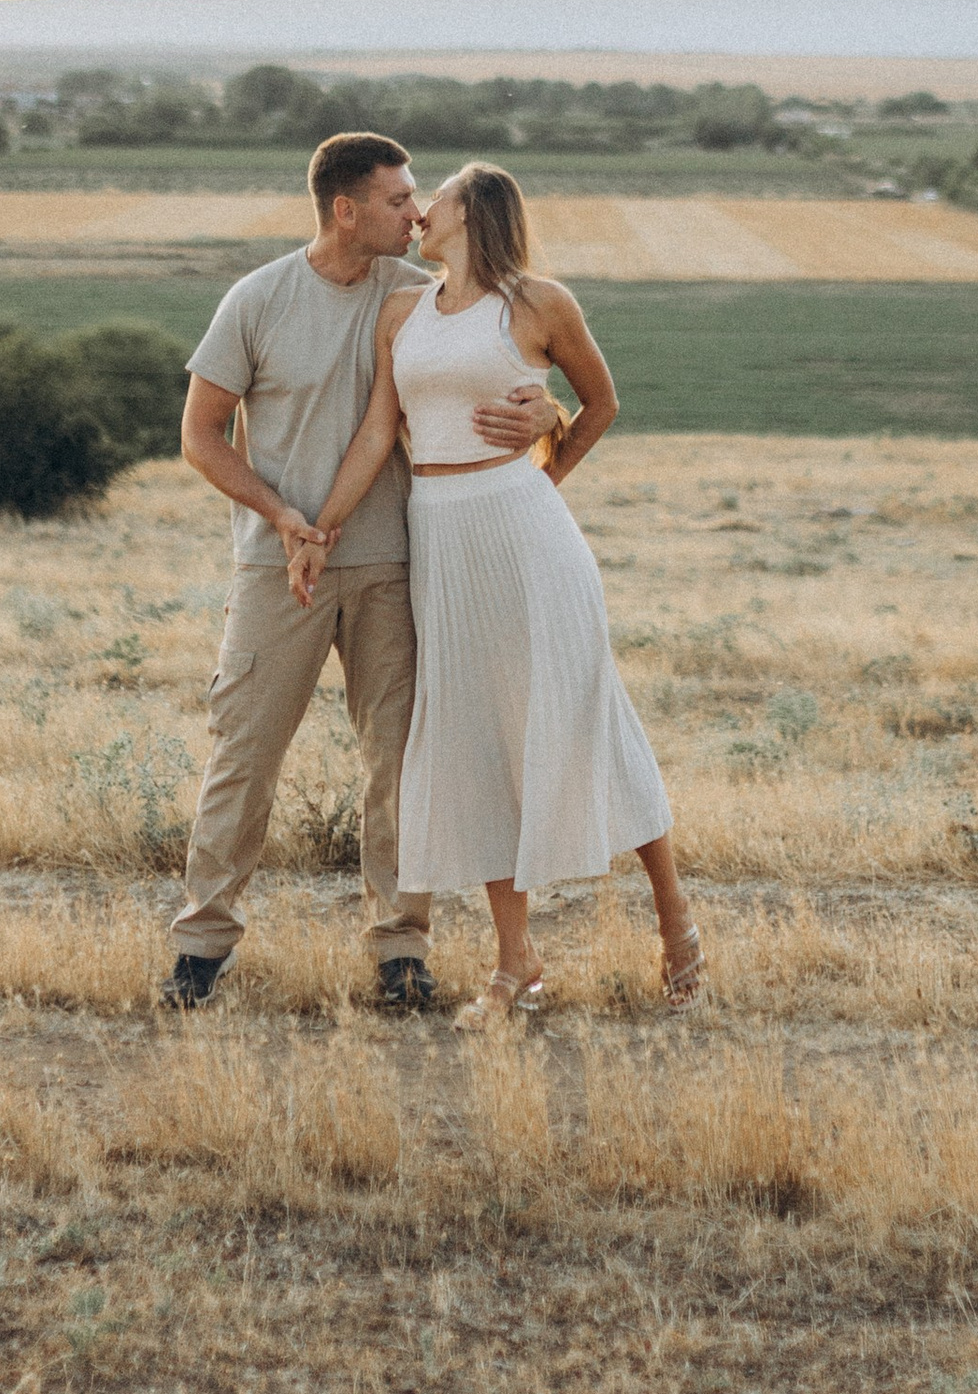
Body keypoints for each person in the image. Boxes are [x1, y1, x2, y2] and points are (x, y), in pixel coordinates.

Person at [299, 161, 701, 1021]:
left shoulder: (539, 303)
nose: (419, 212)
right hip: (440, 536)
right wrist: (320, 529)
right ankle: (516, 962)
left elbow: (600, 404)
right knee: (475, 738)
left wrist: (544, 468)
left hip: (526, 534)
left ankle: (676, 921)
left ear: (472, 212)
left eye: (434, 198)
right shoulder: (403, 312)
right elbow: (379, 431)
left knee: (589, 721)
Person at [167, 130, 557, 1013]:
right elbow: (199, 437)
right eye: (396, 198)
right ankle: (201, 947)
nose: (416, 212)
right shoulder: (257, 300)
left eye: (418, 197)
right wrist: (281, 517)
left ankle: (402, 949)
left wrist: (549, 412)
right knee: (244, 752)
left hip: (393, 562)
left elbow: (509, 367)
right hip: (277, 567)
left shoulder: (422, 297)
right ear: (345, 210)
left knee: (400, 760)